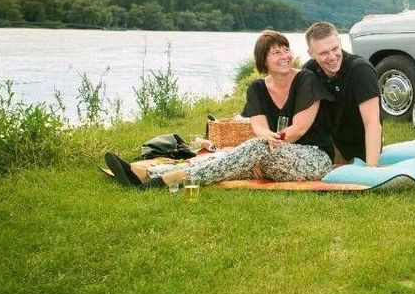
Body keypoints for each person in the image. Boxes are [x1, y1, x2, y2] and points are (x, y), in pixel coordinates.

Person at [105, 30, 333, 189]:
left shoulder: (306, 79)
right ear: (263, 61)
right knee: (230, 158)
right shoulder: (257, 88)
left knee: (251, 149)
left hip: (313, 157)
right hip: (274, 156)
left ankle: (167, 178)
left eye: (286, 49)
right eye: (275, 52)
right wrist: (268, 139)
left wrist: (270, 142)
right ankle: (148, 174)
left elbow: (299, 129)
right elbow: (259, 126)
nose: (284, 56)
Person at [303, 21, 382, 166]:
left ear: (340, 42)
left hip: (357, 150)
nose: (332, 56)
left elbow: (372, 124)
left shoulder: (360, 70)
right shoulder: (309, 71)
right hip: (324, 144)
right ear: (311, 54)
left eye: (335, 48)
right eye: (324, 53)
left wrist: (371, 171)